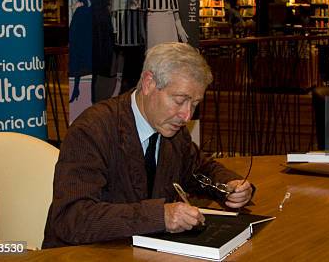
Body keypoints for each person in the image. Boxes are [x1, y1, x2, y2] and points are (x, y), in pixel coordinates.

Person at [43, 43, 254, 248]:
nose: (187, 115)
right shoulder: (91, 130)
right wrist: (160, 216)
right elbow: (72, 217)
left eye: (195, 104)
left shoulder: (172, 130)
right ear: (148, 83)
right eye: (180, 100)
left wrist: (229, 185)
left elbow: (198, 170)